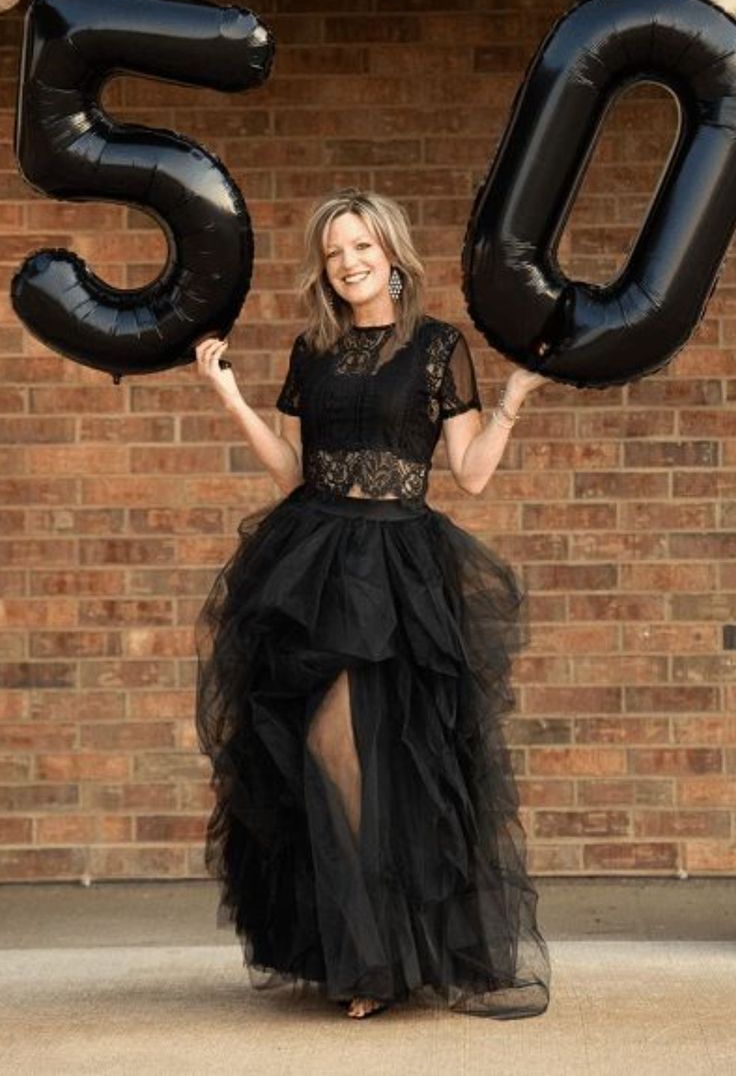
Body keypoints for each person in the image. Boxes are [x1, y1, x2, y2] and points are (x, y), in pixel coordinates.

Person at [194, 186, 552, 1021]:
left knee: (371, 752)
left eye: (361, 247)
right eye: (334, 253)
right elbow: (289, 471)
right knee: (320, 747)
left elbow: (468, 474)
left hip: (398, 565)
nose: (349, 263)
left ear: (391, 253)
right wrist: (231, 399)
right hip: (312, 559)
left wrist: (512, 400)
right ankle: (359, 952)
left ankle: (376, 959)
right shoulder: (312, 350)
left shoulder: (436, 347)